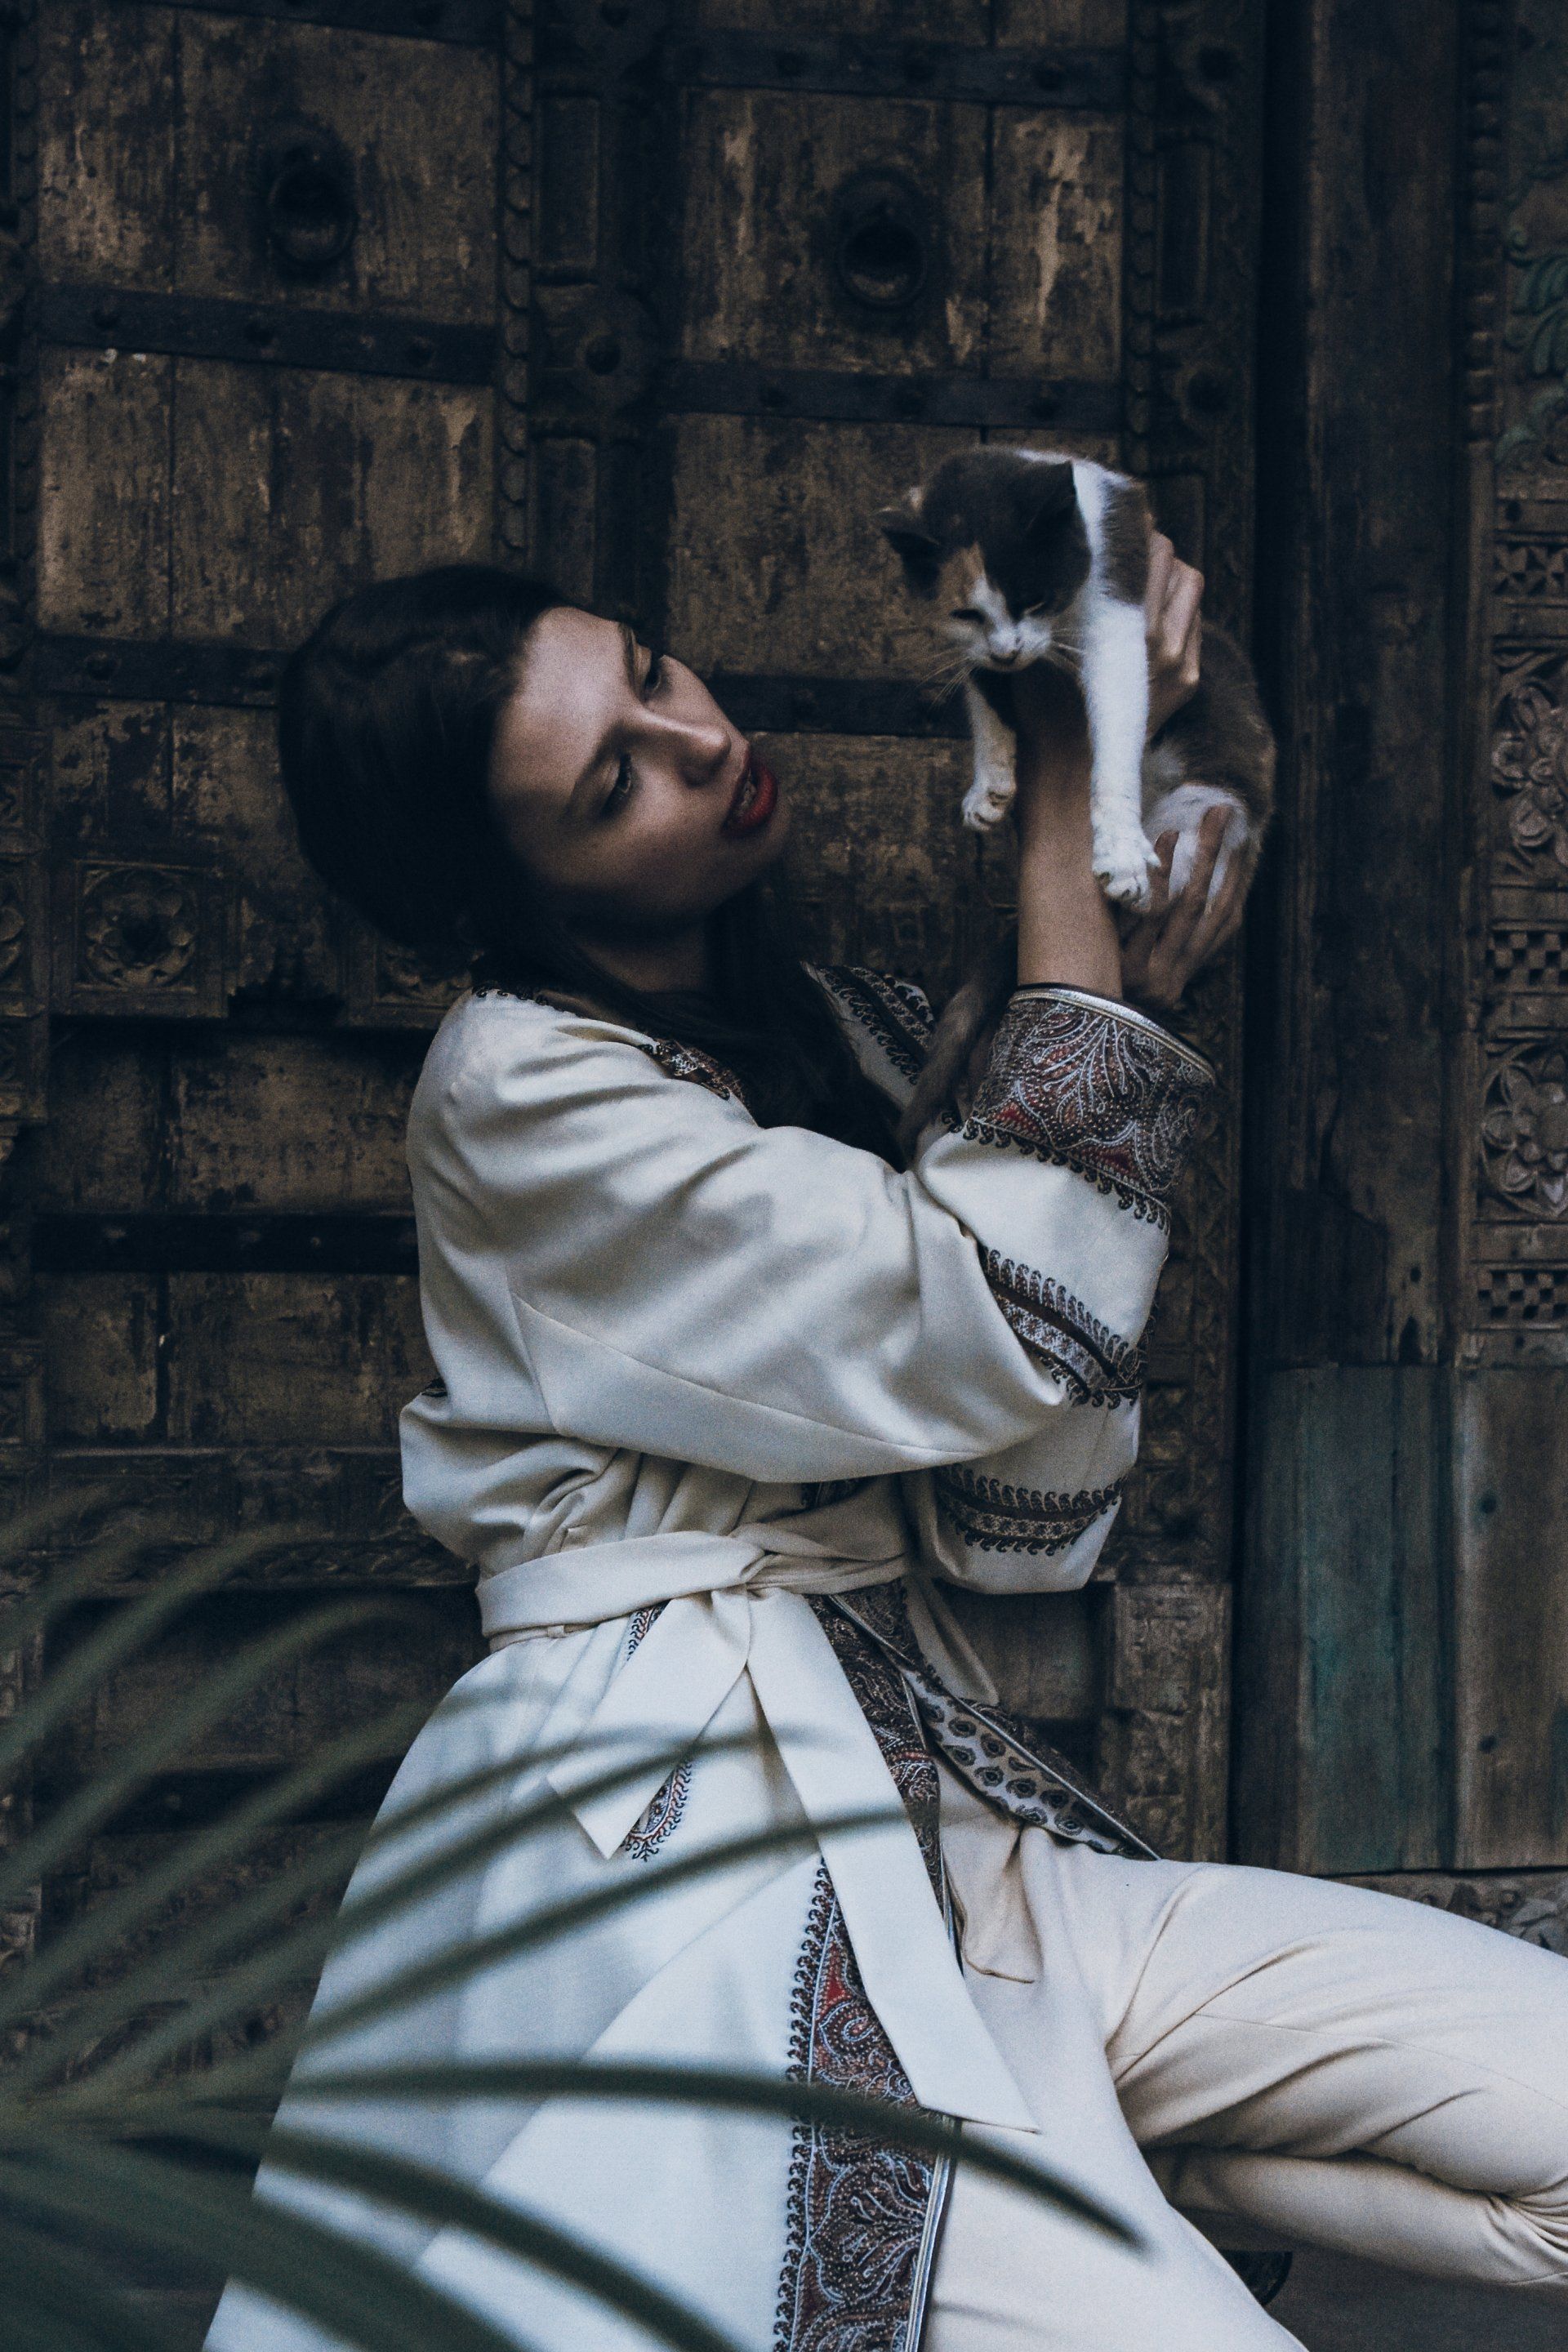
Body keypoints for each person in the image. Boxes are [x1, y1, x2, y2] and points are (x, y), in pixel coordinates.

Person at [206, 548, 1568, 2352]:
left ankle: (1100, 2177)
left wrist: (1109, 1004)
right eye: (612, 783)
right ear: (509, 889)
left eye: (655, 676)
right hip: (705, 1872)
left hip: (978, 1868)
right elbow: (1004, 1314)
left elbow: (1025, 1517)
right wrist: (1069, 825)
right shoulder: (516, 1086)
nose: (698, 742)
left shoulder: (838, 1036)